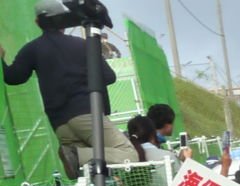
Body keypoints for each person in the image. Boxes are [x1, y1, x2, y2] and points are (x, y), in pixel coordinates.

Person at [0, 0, 138, 176]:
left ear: (37, 23)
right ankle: (76, 155)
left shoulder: (31, 49)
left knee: (89, 175)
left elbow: (13, 77)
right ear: (64, 21)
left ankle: (76, 156)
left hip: (59, 123)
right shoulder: (82, 45)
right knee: (129, 155)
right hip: (87, 114)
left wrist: (1, 59)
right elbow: (109, 77)